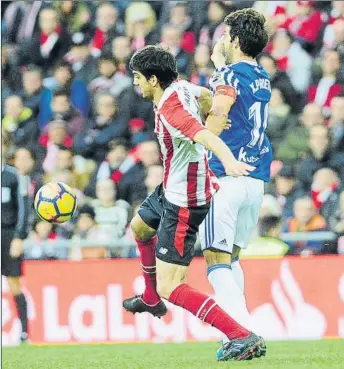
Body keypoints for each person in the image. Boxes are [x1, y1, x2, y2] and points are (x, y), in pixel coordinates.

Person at [122, 45, 265, 362]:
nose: (136, 84)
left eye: (138, 78)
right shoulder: (181, 88)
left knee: (171, 286)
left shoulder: (173, 112)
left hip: (184, 200)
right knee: (140, 227)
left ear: (154, 80)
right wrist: (212, 113)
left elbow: (207, 138)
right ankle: (149, 298)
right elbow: (204, 96)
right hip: (173, 183)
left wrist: (228, 161)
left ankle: (241, 335)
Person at [197, 9, 272, 360]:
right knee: (233, 258)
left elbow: (222, 105)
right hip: (255, 179)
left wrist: (200, 137)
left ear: (237, 41)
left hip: (226, 177)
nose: (222, 41)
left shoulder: (229, 72)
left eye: (226, 35)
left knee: (215, 259)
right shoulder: (262, 75)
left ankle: (241, 333)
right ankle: (242, 333)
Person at [1, 132, 29, 343]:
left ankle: (24, 333)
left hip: (8, 234)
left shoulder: (14, 176)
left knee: (14, 285)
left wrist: (19, 236)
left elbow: (23, 208)